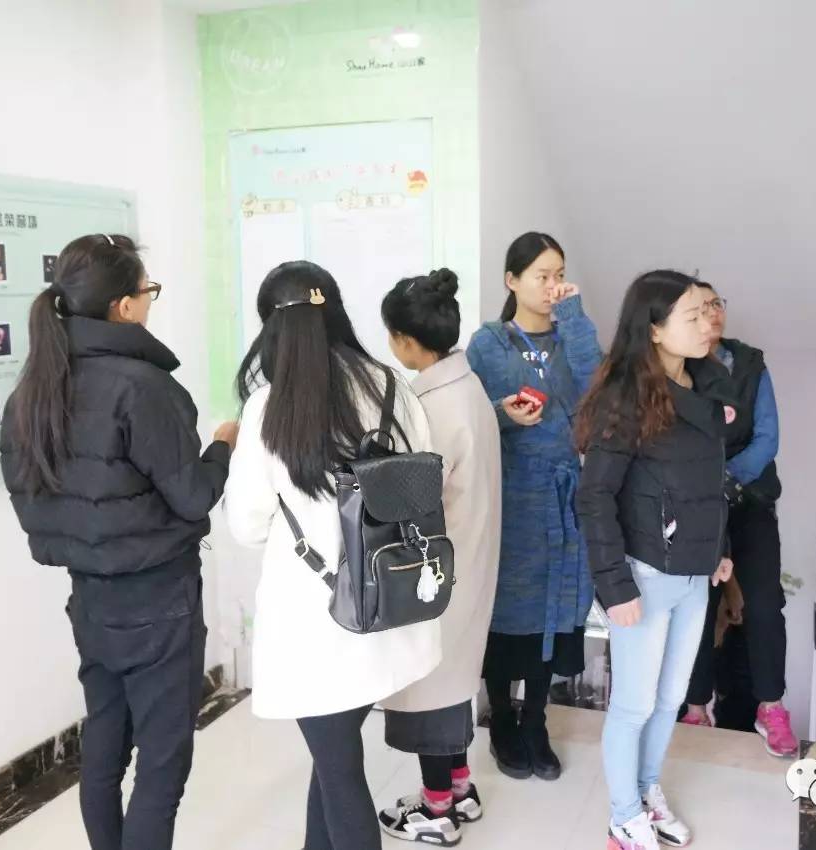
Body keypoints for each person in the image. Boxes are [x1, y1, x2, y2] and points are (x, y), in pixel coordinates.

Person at [0, 233, 236, 850]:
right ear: (124, 306)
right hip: (159, 601)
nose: (150, 300)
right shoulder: (143, 387)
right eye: (147, 290)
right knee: (163, 763)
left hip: (90, 599)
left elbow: (37, 504)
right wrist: (222, 446)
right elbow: (193, 496)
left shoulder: (32, 389)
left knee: (103, 750)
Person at [223, 260, 441, 850]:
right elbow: (424, 486)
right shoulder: (392, 387)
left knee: (340, 771)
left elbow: (246, 525)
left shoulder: (268, 408)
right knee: (333, 759)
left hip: (315, 626)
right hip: (388, 605)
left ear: (271, 328)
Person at [574, 271, 735, 850]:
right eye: (692, 315)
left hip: (694, 573)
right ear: (655, 329)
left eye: (707, 311)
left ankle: (645, 791)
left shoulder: (706, 386)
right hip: (644, 574)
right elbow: (594, 496)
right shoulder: (626, 397)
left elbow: (708, 483)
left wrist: (719, 550)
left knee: (670, 699)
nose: (707, 322)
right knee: (634, 705)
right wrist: (614, 586)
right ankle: (623, 816)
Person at [466, 232, 603, 781]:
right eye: (542, 275)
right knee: (506, 608)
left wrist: (575, 316)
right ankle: (502, 716)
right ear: (512, 280)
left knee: (558, 603)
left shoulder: (572, 333)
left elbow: (598, 387)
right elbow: (473, 414)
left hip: (564, 497)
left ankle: (537, 720)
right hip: (509, 495)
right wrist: (504, 413)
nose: (552, 285)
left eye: (559, 274)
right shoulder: (489, 342)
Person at [376, 269, 502, 847]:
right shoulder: (467, 387)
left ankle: (436, 810)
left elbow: (414, 498)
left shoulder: (429, 405)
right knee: (454, 678)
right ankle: (460, 786)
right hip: (471, 558)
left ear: (405, 341)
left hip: (438, 568)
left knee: (431, 687)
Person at [681, 282, 796, 757]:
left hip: (749, 501)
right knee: (697, 606)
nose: (712, 313)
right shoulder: (677, 368)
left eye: (716, 304)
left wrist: (726, 479)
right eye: (700, 308)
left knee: (765, 602)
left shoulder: (749, 364)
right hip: (695, 507)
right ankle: (694, 707)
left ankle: (771, 707)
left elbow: (767, 438)